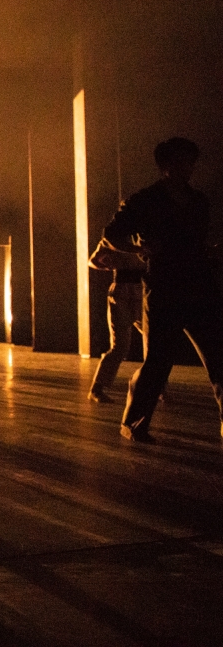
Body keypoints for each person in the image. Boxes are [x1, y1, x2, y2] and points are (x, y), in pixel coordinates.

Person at [105, 138, 223, 443]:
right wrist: (139, 248)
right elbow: (111, 235)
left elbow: (194, 243)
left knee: (218, 355)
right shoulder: (145, 200)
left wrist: (208, 252)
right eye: (182, 161)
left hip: (200, 285)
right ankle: (135, 422)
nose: (189, 168)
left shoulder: (199, 202)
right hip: (165, 287)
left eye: (191, 162)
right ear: (165, 166)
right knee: (159, 360)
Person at [86, 237, 146, 403]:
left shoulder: (145, 235)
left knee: (153, 342)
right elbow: (92, 261)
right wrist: (107, 264)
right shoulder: (113, 238)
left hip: (142, 290)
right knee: (120, 346)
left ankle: (157, 388)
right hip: (122, 291)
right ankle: (97, 388)